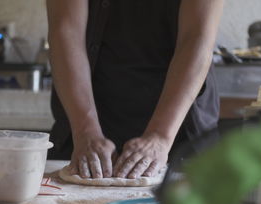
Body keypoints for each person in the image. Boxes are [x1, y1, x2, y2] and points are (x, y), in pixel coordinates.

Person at [46, 0, 223, 179]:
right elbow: (66, 31)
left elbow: (196, 38)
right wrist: (84, 131)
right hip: (84, 117)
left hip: (178, 124)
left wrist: (160, 136)